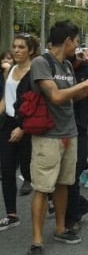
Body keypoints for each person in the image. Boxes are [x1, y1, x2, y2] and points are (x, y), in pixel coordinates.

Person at [24, 20, 88, 255]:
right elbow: (56, 96)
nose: (78, 46)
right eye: (77, 41)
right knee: (42, 187)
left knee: (63, 184)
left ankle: (60, 229)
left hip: (69, 134)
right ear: (68, 40)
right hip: (48, 136)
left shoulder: (67, 65)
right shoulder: (41, 63)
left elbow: (73, 97)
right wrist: (84, 84)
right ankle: (36, 241)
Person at [0, 34, 39, 231]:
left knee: (28, 171)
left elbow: (36, 104)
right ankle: (12, 215)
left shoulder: (35, 72)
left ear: (30, 50)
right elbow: (6, 98)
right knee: (6, 170)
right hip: (8, 123)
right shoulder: (11, 69)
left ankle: (48, 198)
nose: (16, 50)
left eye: (21, 47)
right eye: (14, 46)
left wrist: (22, 128)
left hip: (26, 124)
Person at [64, 50, 88, 234]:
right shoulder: (49, 68)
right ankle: (80, 205)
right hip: (58, 127)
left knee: (74, 171)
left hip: (82, 127)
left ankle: (72, 217)